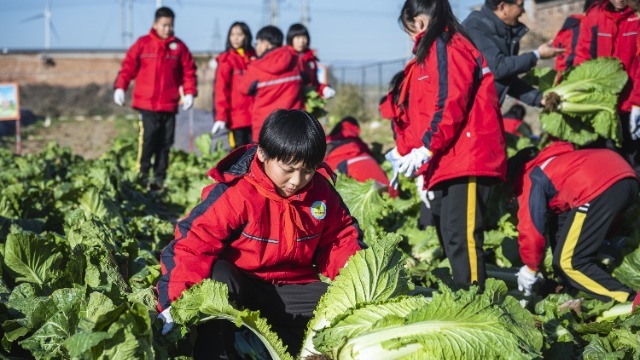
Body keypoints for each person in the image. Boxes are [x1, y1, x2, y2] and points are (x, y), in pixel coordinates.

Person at [156, 109, 364, 358]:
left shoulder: (321, 193)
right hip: (243, 289)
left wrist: (361, 283)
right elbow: (192, 244)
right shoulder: (237, 193)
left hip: (291, 291)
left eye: (308, 170)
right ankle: (217, 352)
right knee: (218, 279)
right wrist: (174, 303)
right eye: (288, 168)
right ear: (263, 153)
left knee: (344, 303)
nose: (296, 180)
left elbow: (340, 240)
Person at [395, 0, 507, 288]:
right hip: (450, 155)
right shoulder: (436, 48)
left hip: (467, 154)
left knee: (462, 234)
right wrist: (413, 155)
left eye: (408, 30)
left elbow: (449, 102)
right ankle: (463, 295)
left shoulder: (446, 44)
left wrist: (427, 148)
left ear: (418, 22)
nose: (410, 37)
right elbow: (425, 112)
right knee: (449, 231)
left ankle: (474, 304)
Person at [510, 142, 639, 306]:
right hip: (626, 176)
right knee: (569, 253)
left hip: (598, 185)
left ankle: (630, 301)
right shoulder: (553, 164)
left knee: (569, 263)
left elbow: (531, 227)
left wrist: (530, 268)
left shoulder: (528, 178)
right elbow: (563, 227)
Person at [113, 6, 197, 190]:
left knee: (165, 143)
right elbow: (128, 67)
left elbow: (189, 72)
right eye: (164, 25)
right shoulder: (143, 44)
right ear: (155, 24)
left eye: (170, 25)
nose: (167, 29)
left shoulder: (179, 47)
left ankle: (159, 181)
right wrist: (120, 87)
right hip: (147, 104)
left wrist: (190, 92)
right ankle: (141, 177)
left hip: (169, 105)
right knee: (148, 140)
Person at [574, 0, 640, 174]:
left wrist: (637, 102)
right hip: (603, 107)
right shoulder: (595, 16)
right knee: (609, 164)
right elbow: (583, 56)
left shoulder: (637, 16)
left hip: (631, 105)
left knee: (634, 161)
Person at [462, 0, 565, 107]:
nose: (523, 11)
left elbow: (507, 80)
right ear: (502, 7)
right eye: (520, 6)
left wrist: (540, 98)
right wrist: (537, 55)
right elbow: (499, 68)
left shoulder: (505, 31)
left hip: (487, 111)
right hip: (470, 113)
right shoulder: (475, 28)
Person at [239, 25, 304, 143]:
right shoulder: (295, 60)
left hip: (265, 129)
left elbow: (243, 88)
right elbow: (308, 79)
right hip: (292, 128)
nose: (256, 47)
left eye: (257, 43)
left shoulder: (256, 67)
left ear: (266, 44)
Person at [324, 116, 397, 197]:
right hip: (366, 162)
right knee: (388, 196)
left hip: (340, 166)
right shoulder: (355, 138)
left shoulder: (327, 140)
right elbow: (367, 152)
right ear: (356, 128)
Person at [211, 22, 257, 149]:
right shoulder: (226, 59)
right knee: (239, 154)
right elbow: (221, 89)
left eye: (239, 34)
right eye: (232, 35)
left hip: (256, 117)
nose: (235, 38)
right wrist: (221, 116)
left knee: (257, 155)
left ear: (246, 36)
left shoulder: (255, 57)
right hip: (237, 118)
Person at [286, 23, 336, 100]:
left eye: (304, 37)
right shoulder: (285, 57)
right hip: (290, 101)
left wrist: (324, 89)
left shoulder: (310, 59)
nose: (301, 41)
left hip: (305, 102)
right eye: (298, 37)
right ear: (290, 39)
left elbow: (314, 84)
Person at [551, 0, 598, 76]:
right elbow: (576, 57)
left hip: (559, 73)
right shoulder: (585, 26)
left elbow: (556, 45)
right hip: (570, 77)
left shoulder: (571, 22)